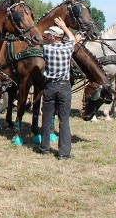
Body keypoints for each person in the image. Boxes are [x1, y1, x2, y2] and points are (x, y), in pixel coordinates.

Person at [37, 17, 81, 160]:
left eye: (49, 35)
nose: (47, 36)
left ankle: (44, 148)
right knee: (64, 121)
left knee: (47, 118)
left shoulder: (46, 48)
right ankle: (64, 153)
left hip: (49, 86)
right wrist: (65, 27)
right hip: (64, 87)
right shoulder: (68, 48)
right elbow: (72, 39)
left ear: (53, 37)